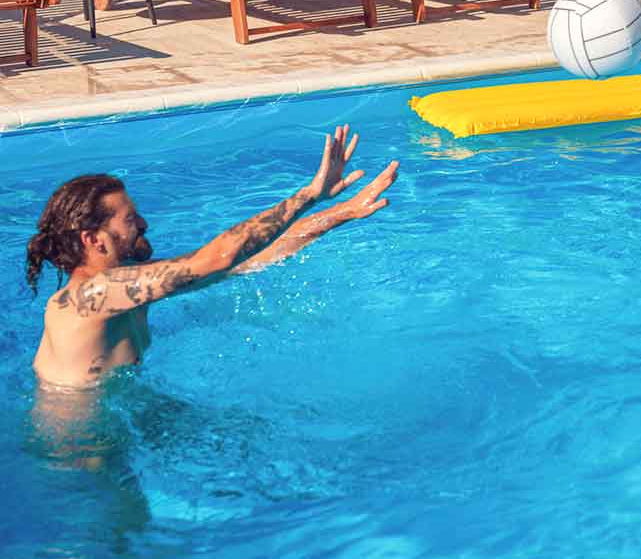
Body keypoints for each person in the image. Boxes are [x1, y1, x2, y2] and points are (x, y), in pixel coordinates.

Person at [23, 125, 398, 389]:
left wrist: (340, 213)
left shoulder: (130, 281)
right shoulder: (89, 296)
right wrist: (306, 196)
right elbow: (219, 256)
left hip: (120, 411)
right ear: (94, 239)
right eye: (129, 219)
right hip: (77, 446)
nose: (143, 223)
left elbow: (247, 260)